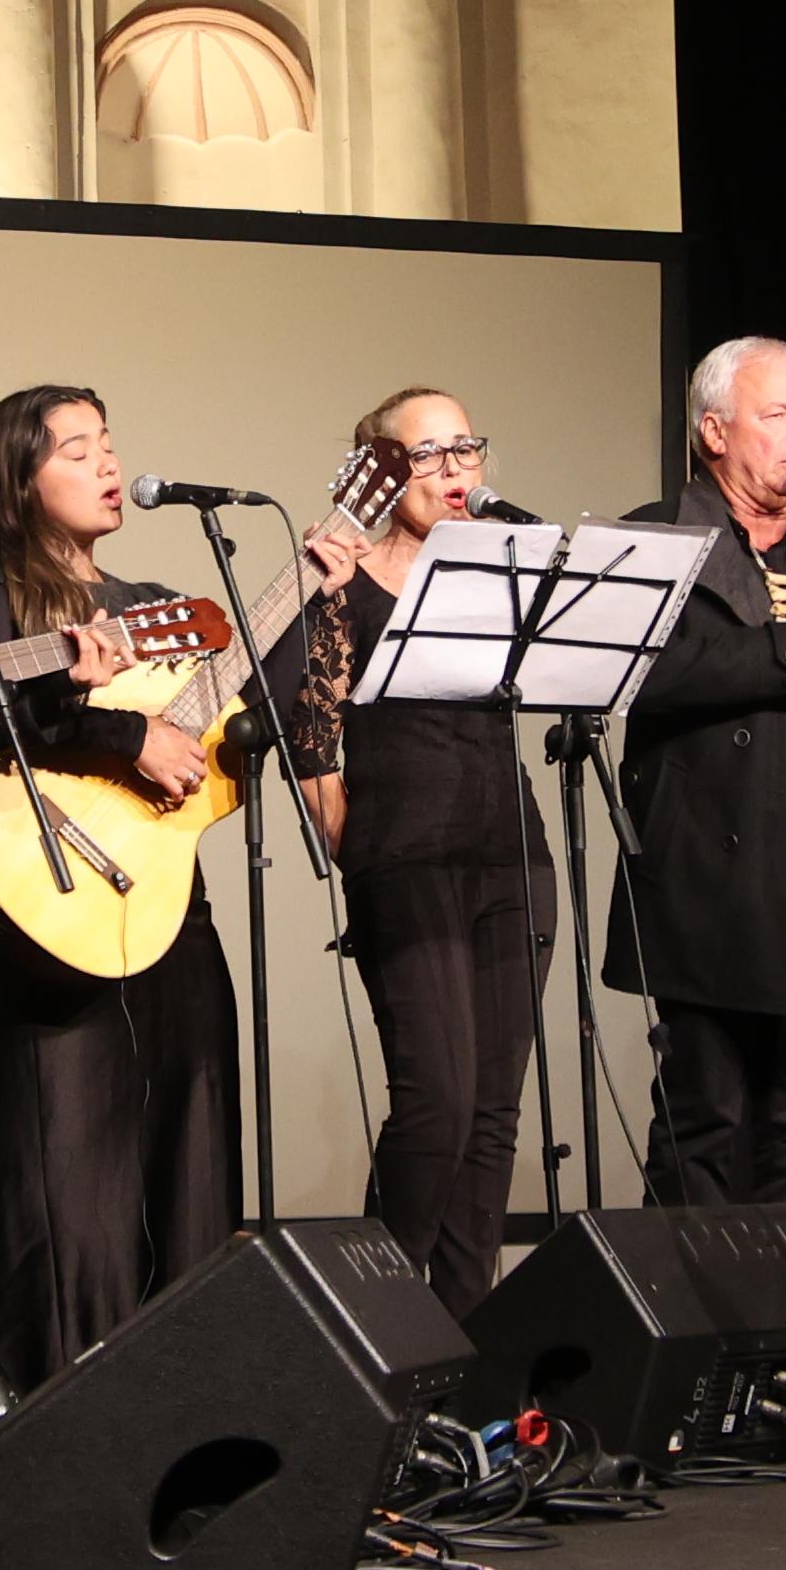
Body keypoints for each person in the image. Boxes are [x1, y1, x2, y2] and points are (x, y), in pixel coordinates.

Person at [0, 386, 243, 1390]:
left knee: (188, 1155)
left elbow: (204, 756)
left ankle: (184, 1399)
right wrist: (110, 727)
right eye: (78, 449)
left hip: (167, 903)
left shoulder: (151, 605)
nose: (107, 464)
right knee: (71, 1185)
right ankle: (62, 1407)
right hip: (54, 912)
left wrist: (235, 721)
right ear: (22, 477)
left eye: (111, 443)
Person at [264, 389, 550, 1312]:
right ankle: (379, 1323)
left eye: (465, 447)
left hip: (512, 853)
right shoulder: (345, 584)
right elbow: (309, 736)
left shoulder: (506, 572)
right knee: (439, 1107)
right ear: (381, 472)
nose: (455, 468)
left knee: (496, 1117)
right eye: (426, 454)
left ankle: (466, 1337)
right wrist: (358, 846)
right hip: (407, 860)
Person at [604, 337, 786, 1267]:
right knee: (704, 1124)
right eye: (778, 414)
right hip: (704, 880)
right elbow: (651, 672)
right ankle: (688, 1357)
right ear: (715, 432)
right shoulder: (656, 537)